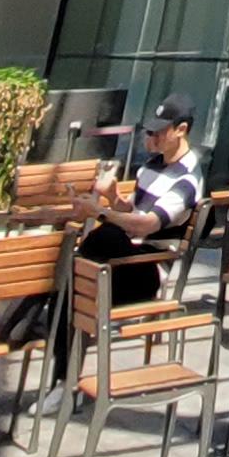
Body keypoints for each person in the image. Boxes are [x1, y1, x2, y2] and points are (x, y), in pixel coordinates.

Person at [47, 97, 203, 380]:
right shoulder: (152, 167)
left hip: (148, 270)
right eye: (150, 131)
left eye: (158, 131)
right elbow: (132, 212)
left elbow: (147, 224)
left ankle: (32, 335)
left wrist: (100, 212)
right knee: (69, 283)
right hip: (124, 260)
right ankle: (62, 376)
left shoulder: (187, 181)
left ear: (181, 130)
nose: (151, 137)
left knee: (89, 256)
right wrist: (113, 197)